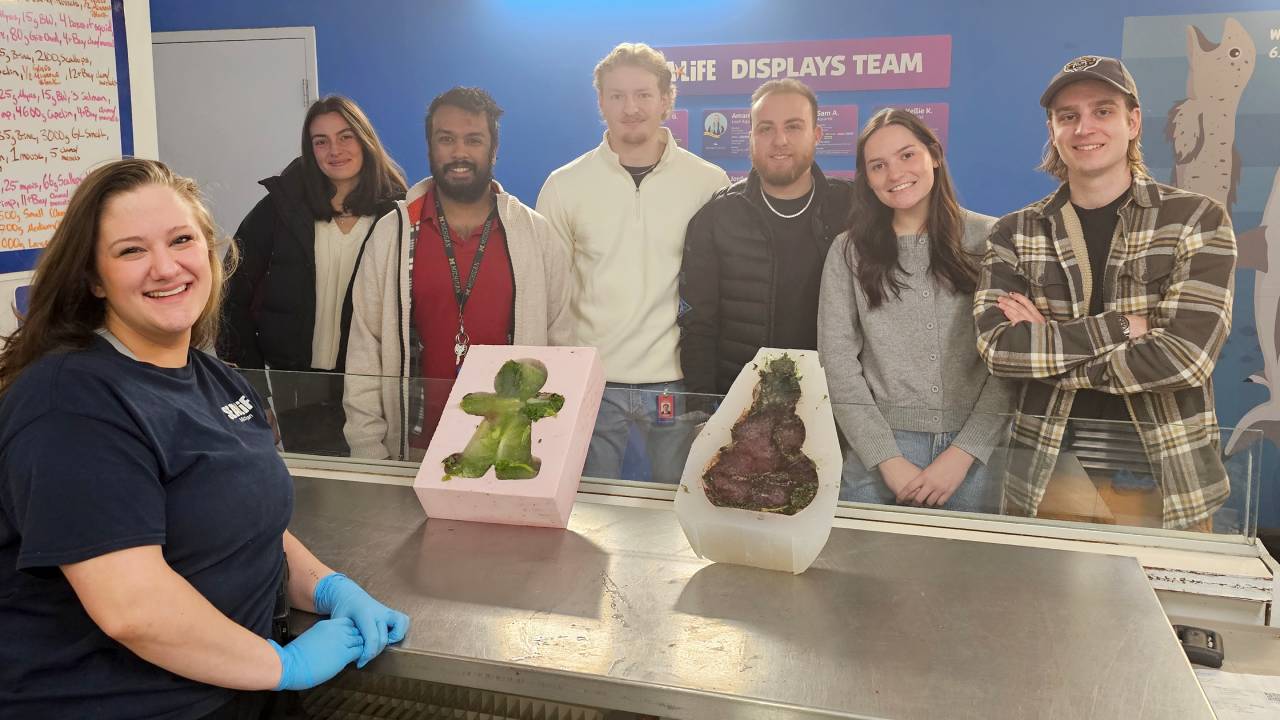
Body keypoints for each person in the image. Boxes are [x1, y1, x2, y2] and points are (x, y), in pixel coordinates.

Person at [0, 159, 409, 719]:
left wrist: (328, 587)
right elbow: (132, 608)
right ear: (94, 278)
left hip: (235, 684)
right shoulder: (72, 401)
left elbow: (246, 518)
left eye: (181, 240)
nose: (165, 267)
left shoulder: (210, 375)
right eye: (131, 251)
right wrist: (283, 667)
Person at [974, 56, 1236, 530]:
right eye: (1067, 116)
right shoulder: (1014, 232)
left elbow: (1187, 358)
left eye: (1102, 111)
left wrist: (1050, 347)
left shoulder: (1196, 219)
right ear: (1053, 129)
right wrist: (1120, 328)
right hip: (1048, 479)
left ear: (1132, 121)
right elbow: (1000, 351)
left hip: (1167, 484)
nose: (1084, 128)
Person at [344, 87, 573, 461]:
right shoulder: (394, 233)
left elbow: (562, 346)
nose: (460, 153)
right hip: (415, 447)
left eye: (473, 140)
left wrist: (547, 445)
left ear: (493, 149)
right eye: (446, 139)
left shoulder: (536, 235)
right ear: (431, 147)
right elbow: (365, 352)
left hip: (509, 448)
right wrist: (369, 452)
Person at [536, 42, 729, 483]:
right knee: (590, 514)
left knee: (676, 514)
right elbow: (550, 292)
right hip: (592, 384)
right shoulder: (565, 185)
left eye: (643, 94)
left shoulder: (708, 182)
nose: (631, 107)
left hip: (676, 383)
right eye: (617, 95)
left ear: (666, 100)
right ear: (601, 102)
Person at [818, 109, 1015, 511]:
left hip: (975, 454)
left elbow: (1010, 357)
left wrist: (965, 452)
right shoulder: (848, 251)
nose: (894, 174)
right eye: (878, 165)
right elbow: (837, 363)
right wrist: (887, 459)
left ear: (935, 156)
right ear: (867, 179)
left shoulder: (993, 238)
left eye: (907, 155)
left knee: (966, 575)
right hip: (880, 453)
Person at [221, 95, 407, 455]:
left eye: (345, 136)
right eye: (320, 141)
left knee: (374, 495)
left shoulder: (397, 213)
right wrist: (251, 391)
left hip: (372, 383)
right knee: (315, 493)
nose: (334, 150)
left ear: (365, 140)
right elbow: (230, 298)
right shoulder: (279, 208)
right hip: (295, 384)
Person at [680, 78, 854, 395]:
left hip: (834, 406)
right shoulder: (717, 217)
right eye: (766, 129)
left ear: (817, 135)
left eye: (793, 126)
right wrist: (701, 412)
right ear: (751, 138)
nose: (780, 140)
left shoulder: (853, 210)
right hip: (740, 405)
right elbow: (699, 327)